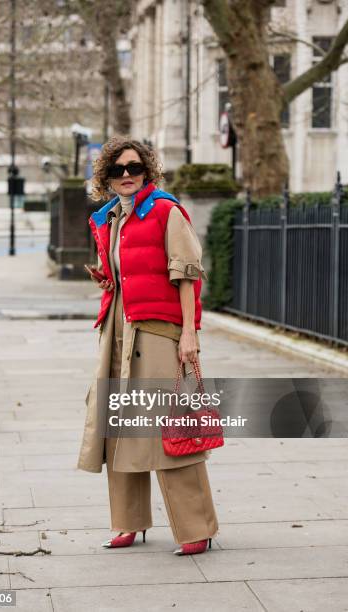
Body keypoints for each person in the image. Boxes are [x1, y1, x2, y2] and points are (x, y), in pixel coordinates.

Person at [77, 136, 219, 555]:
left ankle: (197, 527)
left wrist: (189, 335)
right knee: (117, 427)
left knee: (168, 428)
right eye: (117, 169)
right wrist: (107, 278)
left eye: (134, 168)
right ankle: (128, 522)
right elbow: (124, 271)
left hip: (158, 332)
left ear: (147, 171)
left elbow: (188, 273)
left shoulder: (165, 211)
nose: (126, 175)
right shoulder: (109, 218)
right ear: (105, 176)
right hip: (118, 329)